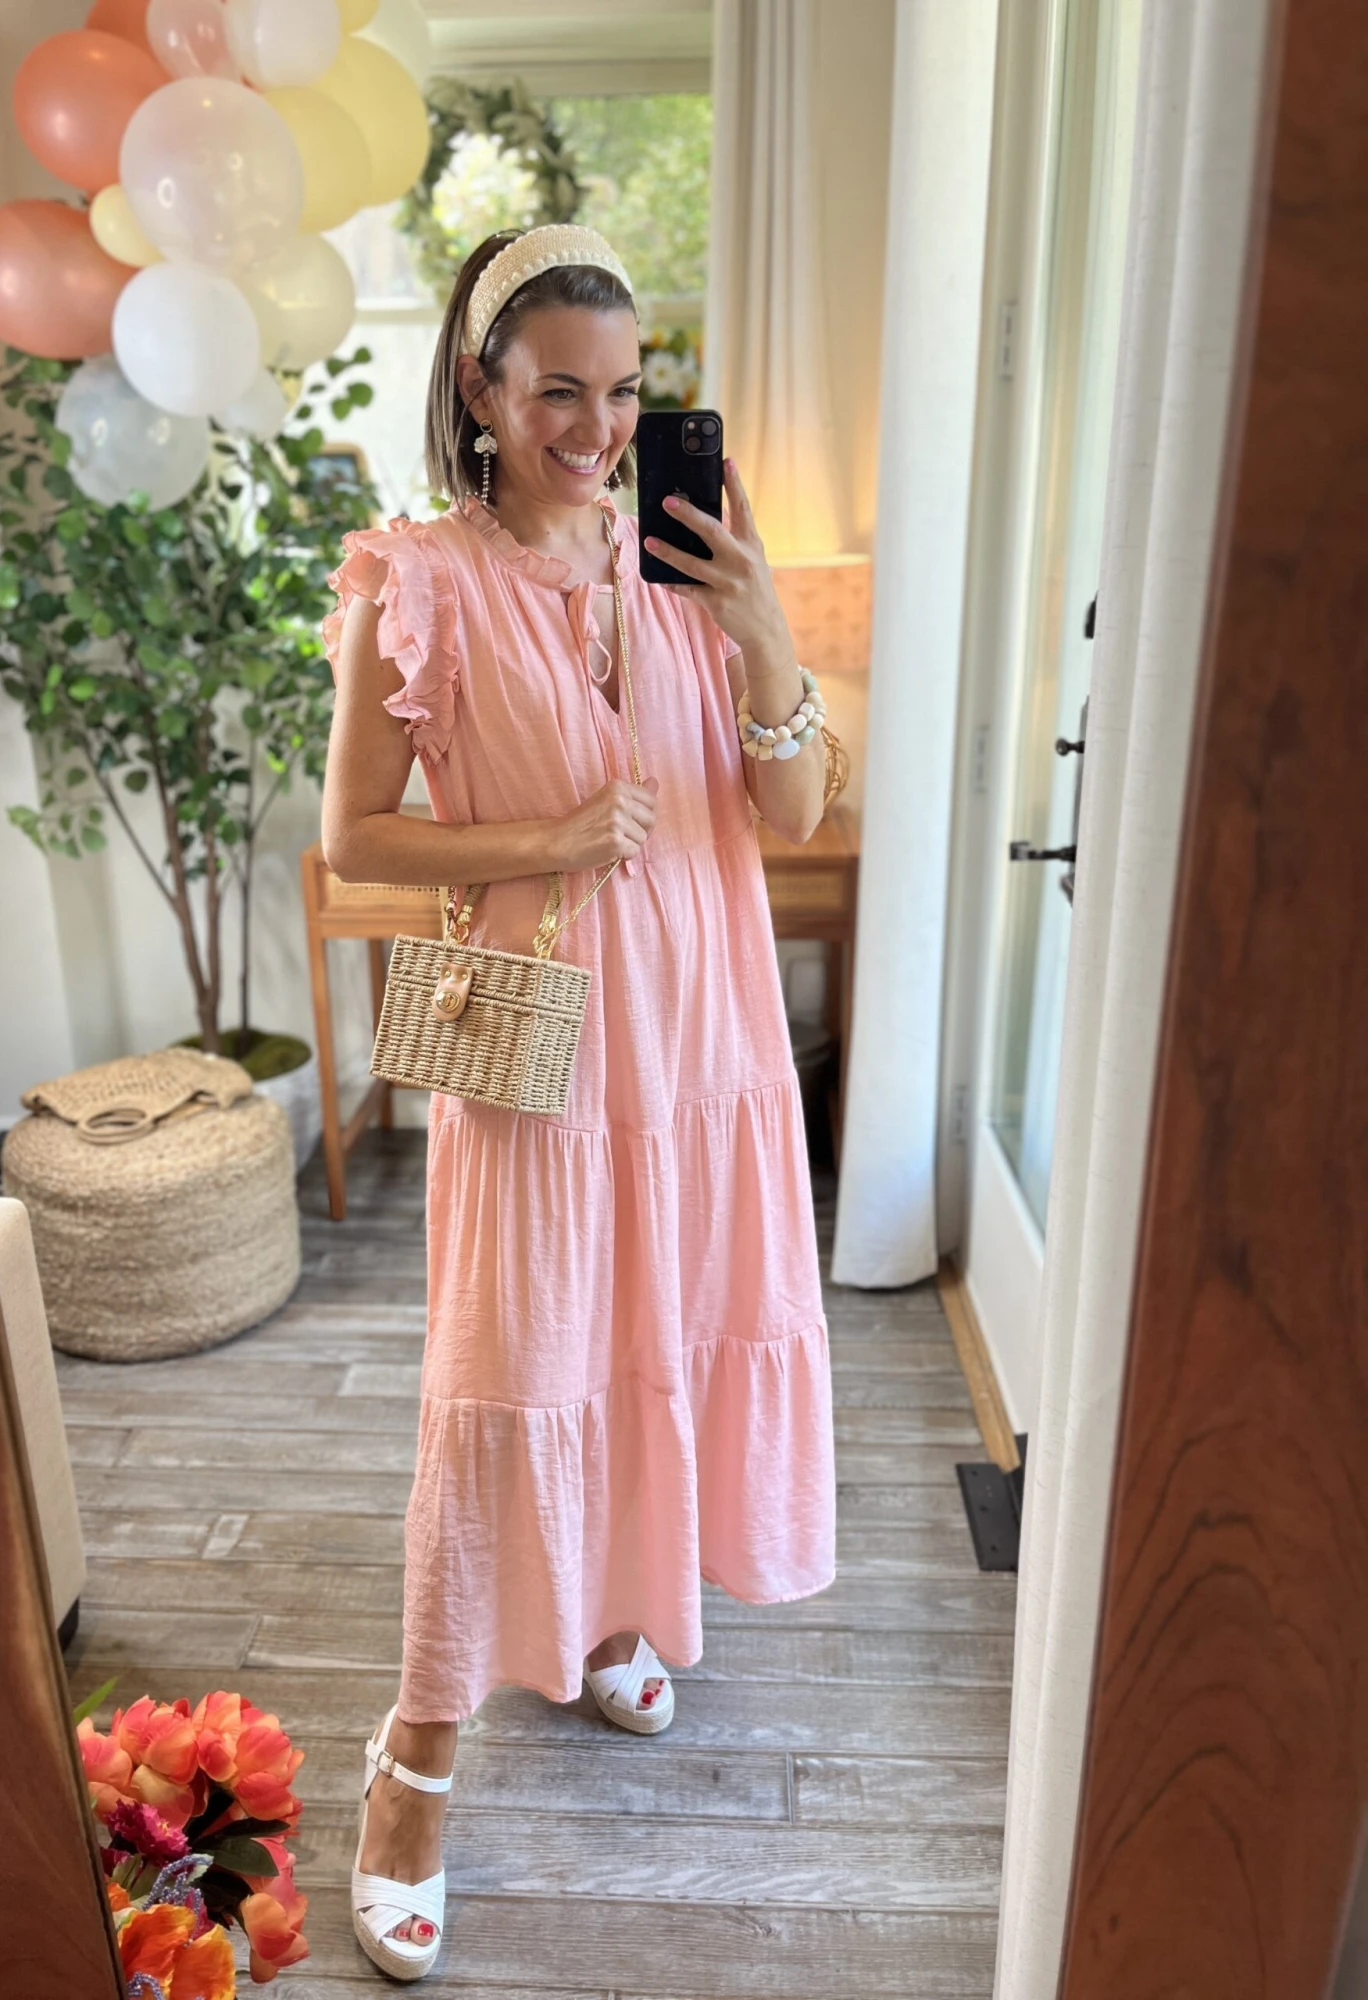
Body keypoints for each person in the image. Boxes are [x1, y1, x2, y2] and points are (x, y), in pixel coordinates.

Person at [320, 223, 837, 1982]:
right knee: (508, 1374)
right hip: (542, 1047)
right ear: (481, 389)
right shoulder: (415, 581)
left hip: (707, 1047)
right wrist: (546, 835)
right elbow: (354, 838)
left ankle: (620, 1610)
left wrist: (766, 635)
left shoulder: (686, 562)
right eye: (557, 391)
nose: (598, 429)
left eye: (622, 392)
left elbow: (791, 813)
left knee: (662, 1333)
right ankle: (412, 1772)